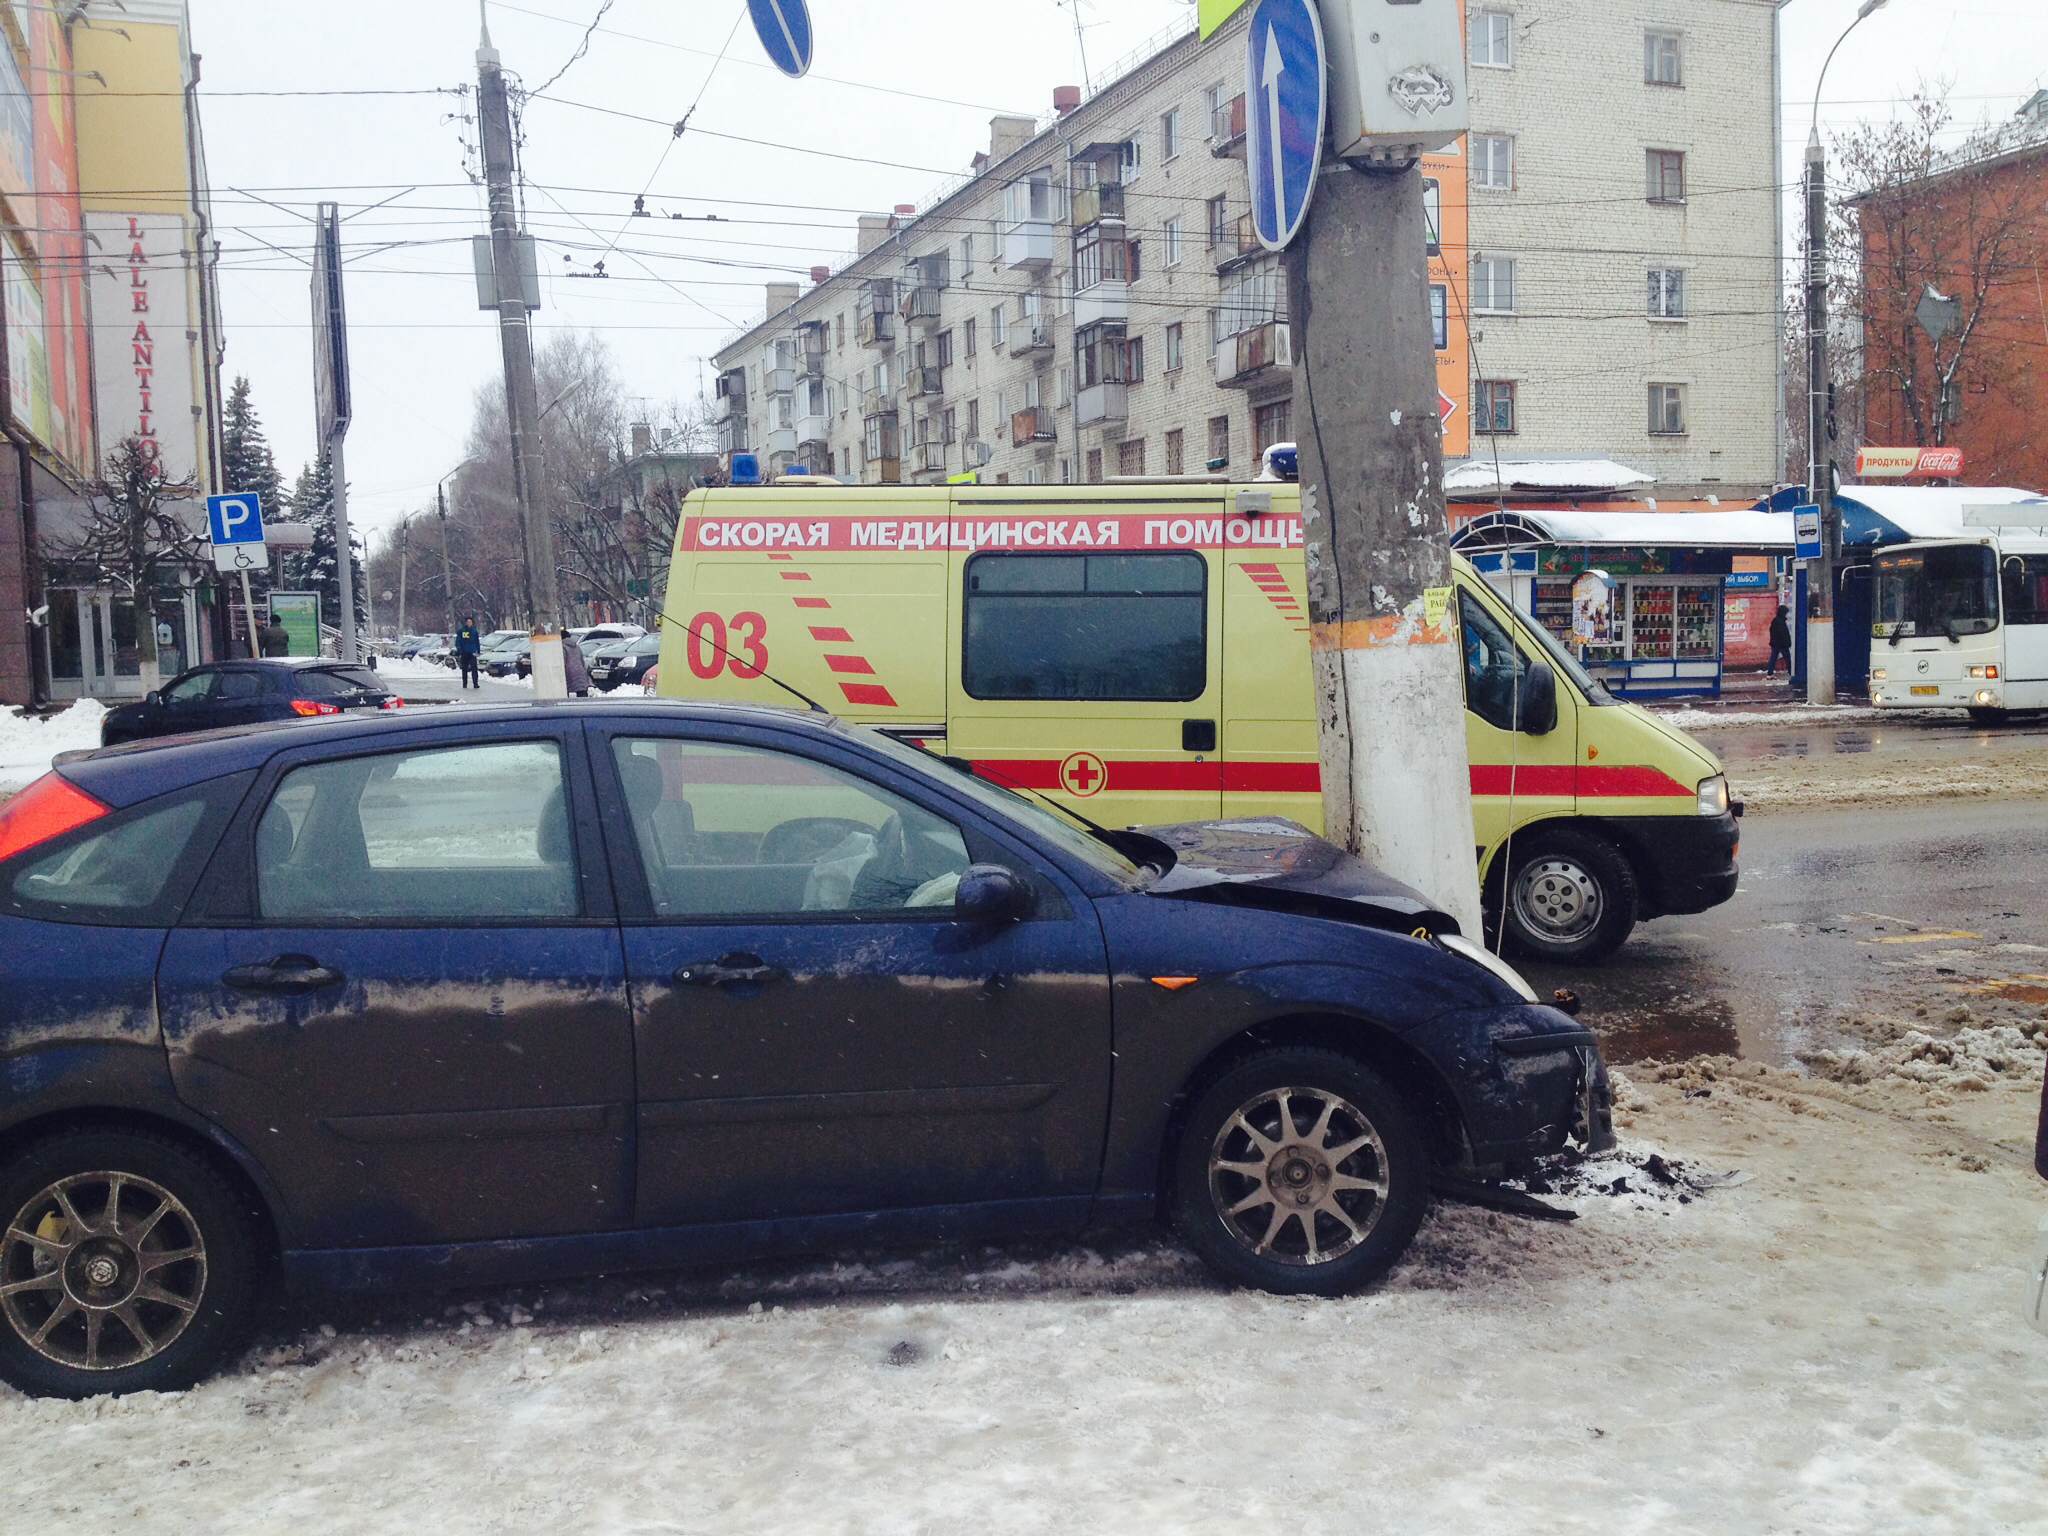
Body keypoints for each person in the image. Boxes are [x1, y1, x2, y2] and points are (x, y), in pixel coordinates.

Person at [1766, 603, 1793, 682]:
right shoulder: (1780, 621)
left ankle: (1770, 674)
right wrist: (1787, 642)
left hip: (1775, 643)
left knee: (1773, 658)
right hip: (1782, 644)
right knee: (1787, 659)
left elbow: (1772, 631)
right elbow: (1783, 634)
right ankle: (1791, 673)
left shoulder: (1776, 620)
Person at [454, 615, 482, 690]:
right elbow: (458, 641)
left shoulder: (474, 631)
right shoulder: (462, 631)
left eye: (471, 622)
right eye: (468, 622)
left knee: (474, 669)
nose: (469, 623)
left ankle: (475, 684)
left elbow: (477, 642)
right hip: (464, 652)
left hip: (472, 652)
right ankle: (464, 683)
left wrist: (478, 650)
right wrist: (460, 650)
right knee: (464, 669)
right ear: (466, 623)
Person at [562, 633, 592, 697]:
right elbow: (582, 660)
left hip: (569, 673)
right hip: (580, 672)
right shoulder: (577, 647)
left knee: (565, 694)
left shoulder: (562, 647)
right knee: (582, 692)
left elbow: (563, 662)